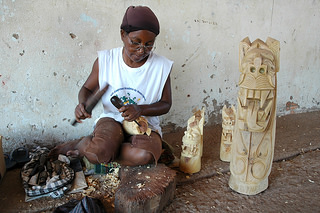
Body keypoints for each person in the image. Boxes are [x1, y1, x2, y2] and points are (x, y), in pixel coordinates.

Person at [49, 6, 173, 167]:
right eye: (135, 42)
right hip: (112, 121)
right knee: (99, 152)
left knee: (144, 156)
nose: (142, 50)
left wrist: (140, 109)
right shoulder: (106, 61)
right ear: (123, 34)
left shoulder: (162, 66)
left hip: (144, 124)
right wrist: (83, 104)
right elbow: (86, 90)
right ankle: (97, 147)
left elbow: (166, 104)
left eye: (149, 45)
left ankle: (100, 148)